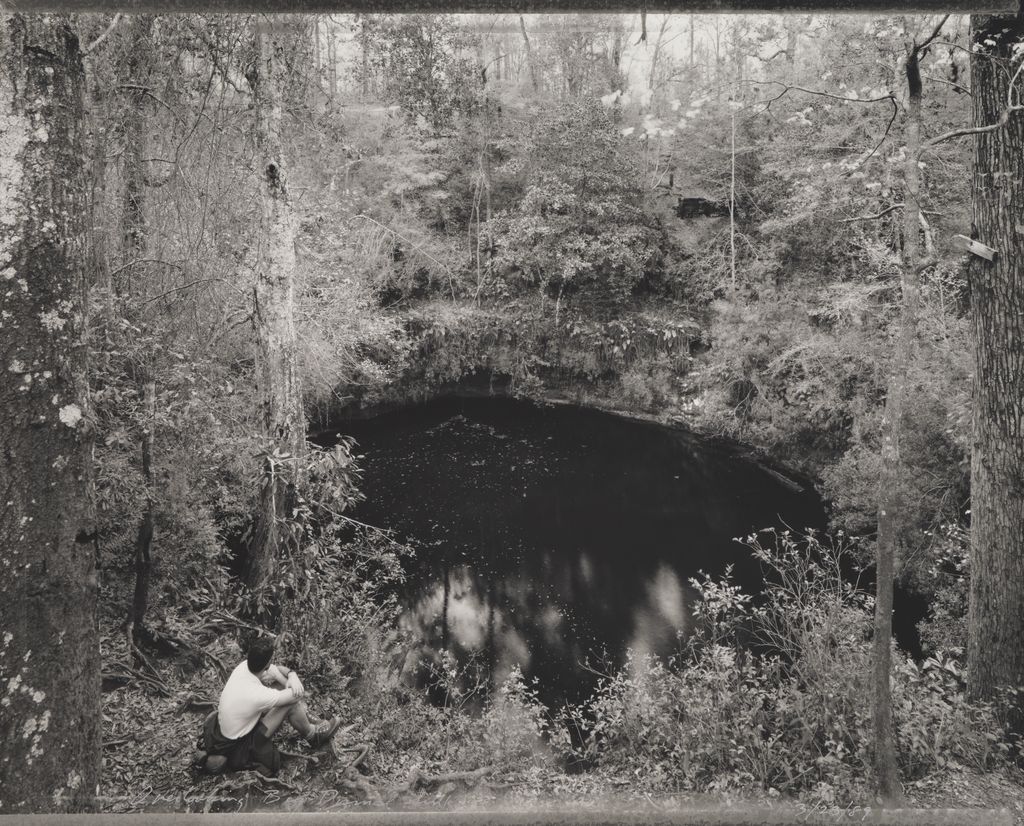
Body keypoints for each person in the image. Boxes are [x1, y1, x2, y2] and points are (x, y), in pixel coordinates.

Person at [202, 637, 341, 776]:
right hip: (242, 743)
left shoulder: (244, 666)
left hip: (230, 728)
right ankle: (313, 735)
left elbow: (275, 670)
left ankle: (307, 717)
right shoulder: (257, 694)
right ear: (267, 663)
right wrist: (294, 679)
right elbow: (298, 694)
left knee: (281, 685)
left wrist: (290, 675)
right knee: (290, 704)